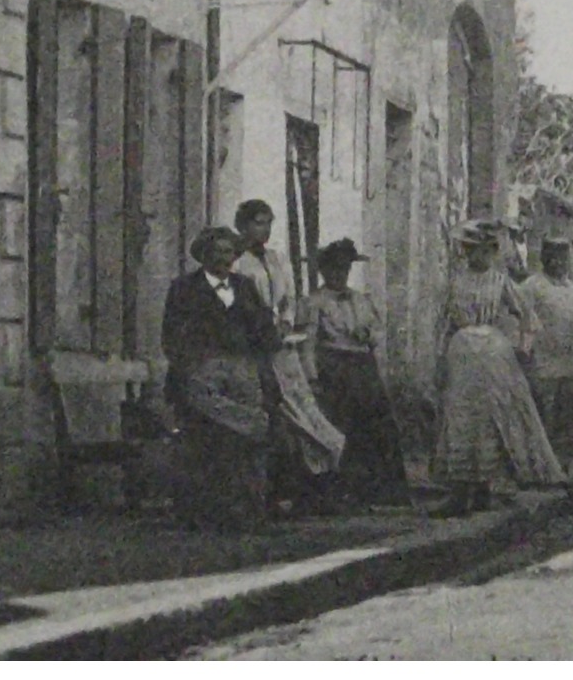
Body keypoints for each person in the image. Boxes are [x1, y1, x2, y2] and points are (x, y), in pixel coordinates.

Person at [430, 219, 565, 517]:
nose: (476, 256)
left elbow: (528, 317)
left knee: (491, 417)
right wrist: (439, 358)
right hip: (462, 351)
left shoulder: (501, 281)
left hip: (493, 353)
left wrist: (523, 348)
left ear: (492, 251)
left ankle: (484, 488)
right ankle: (459, 490)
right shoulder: (454, 281)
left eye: (483, 250)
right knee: (460, 415)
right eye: (470, 250)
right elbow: (443, 323)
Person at [161, 225, 281, 531]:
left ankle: (250, 511)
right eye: (216, 253)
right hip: (203, 369)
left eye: (229, 253)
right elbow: (172, 336)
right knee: (209, 438)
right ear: (203, 256)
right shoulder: (184, 288)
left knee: (253, 431)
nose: (223, 259)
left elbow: (264, 329)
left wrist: (265, 339)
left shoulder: (245, 286)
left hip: (241, 368)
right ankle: (204, 515)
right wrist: (191, 366)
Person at [231, 198, 346, 514]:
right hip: (255, 349)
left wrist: (284, 320)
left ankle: (316, 487)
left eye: (268, 223)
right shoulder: (237, 263)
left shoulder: (278, 259)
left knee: (305, 413)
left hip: (283, 347)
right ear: (242, 226)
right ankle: (273, 492)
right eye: (258, 222)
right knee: (275, 417)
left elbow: (290, 298)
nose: (264, 230)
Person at [299, 239, 411, 507]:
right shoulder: (314, 302)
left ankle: (381, 489)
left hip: (362, 366)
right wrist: (312, 377)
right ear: (323, 271)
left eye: (344, 268)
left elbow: (378, 330)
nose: (339, 274)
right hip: (333, 367)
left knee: (376, 424)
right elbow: (308, 343)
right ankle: (341, 491)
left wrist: (370, 335)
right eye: (333, 269)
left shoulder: (361, 300)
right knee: (340, 425)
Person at [520, 238, 573, 465]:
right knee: (542, 418)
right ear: (543, 259)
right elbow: (522, 324)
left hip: (569, 364)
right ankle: (540, 467)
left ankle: (563, 466)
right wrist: (525, 356)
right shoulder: (532, 287)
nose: (558, 263)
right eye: (552, 257)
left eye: (563, 258)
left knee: (568, 418)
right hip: (541, 365)